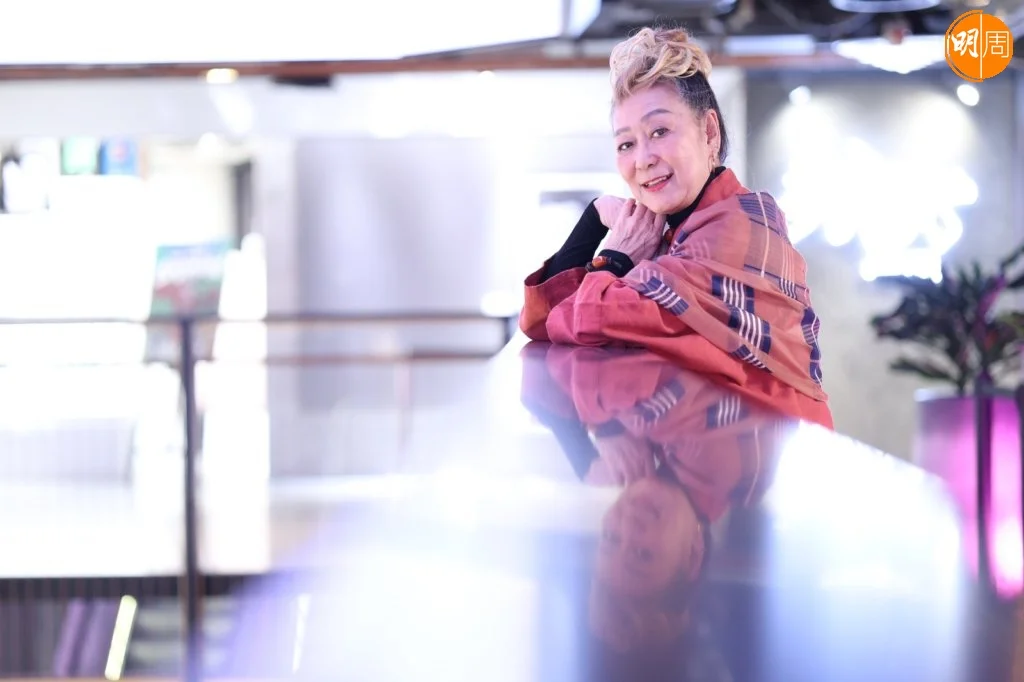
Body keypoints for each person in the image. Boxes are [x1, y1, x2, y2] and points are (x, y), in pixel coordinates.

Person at [519, 26, 832, 429]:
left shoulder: (742, 228)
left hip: (773, 453)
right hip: (724, 449)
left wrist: (615, 258)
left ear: (709, 133)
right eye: (626, 144)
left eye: (660, 131)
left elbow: (585, 318)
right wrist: (594, 216)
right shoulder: (671, 242)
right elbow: (543, 321)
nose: (643, 159)